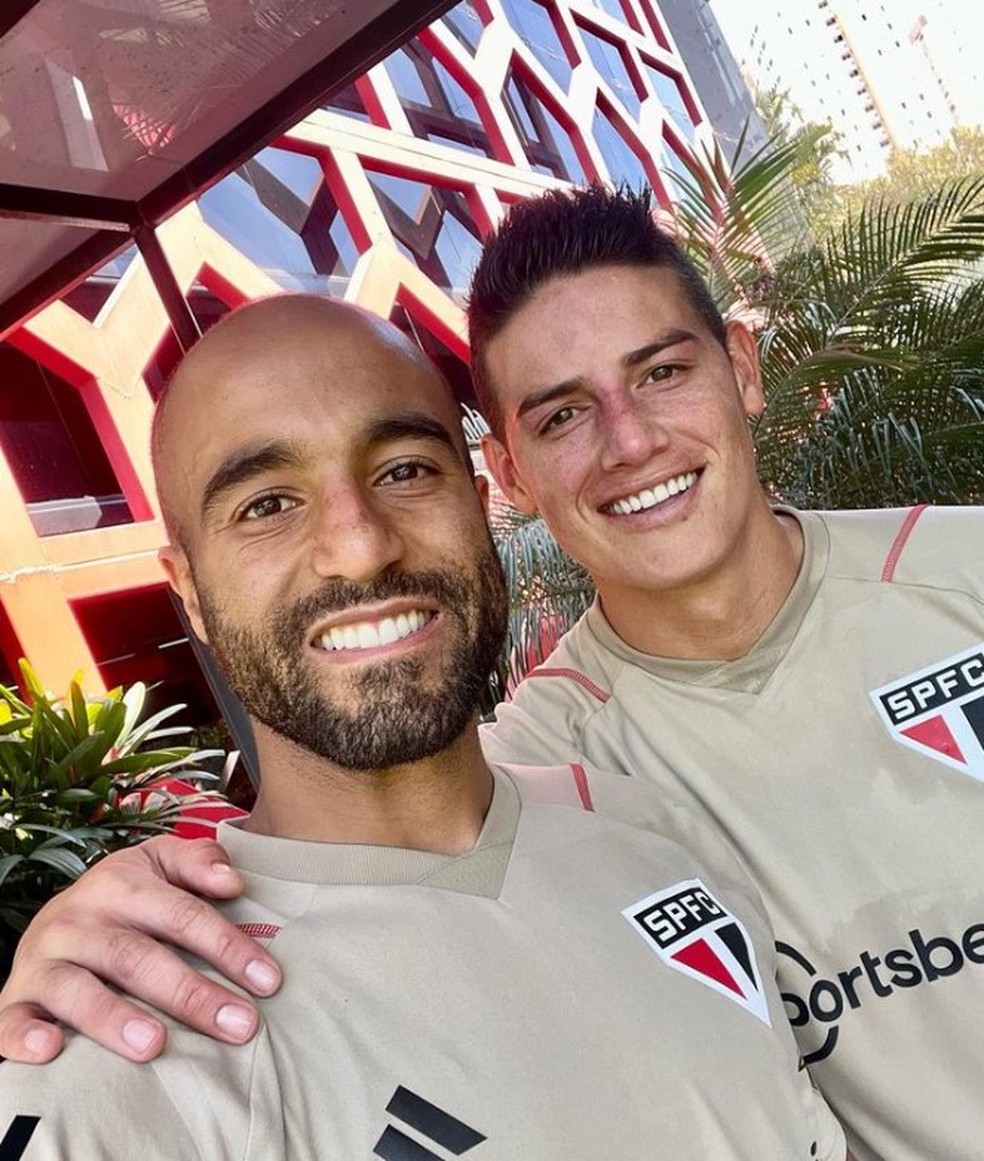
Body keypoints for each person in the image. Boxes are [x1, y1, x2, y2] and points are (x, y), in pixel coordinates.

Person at [2, 183, 978, 1156]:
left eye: (401, 472)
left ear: (743, 368)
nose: (357, 545)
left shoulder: (641, 818)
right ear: (508, 479)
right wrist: (77, 939)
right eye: (266, 504)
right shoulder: (562, 763)